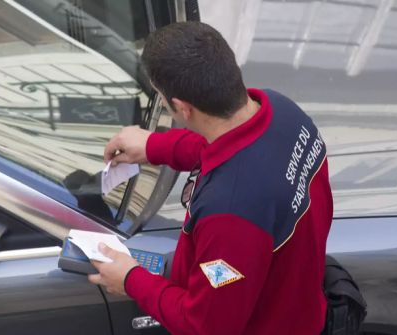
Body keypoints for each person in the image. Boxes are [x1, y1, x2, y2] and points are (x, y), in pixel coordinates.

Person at [87, 21, 333, 334]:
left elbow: (206, 326)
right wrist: (153, 145)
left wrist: (131, 280)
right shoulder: (281, 112)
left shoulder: (230, 216)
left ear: (180, 107)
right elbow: (229, 146)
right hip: (299, 308)